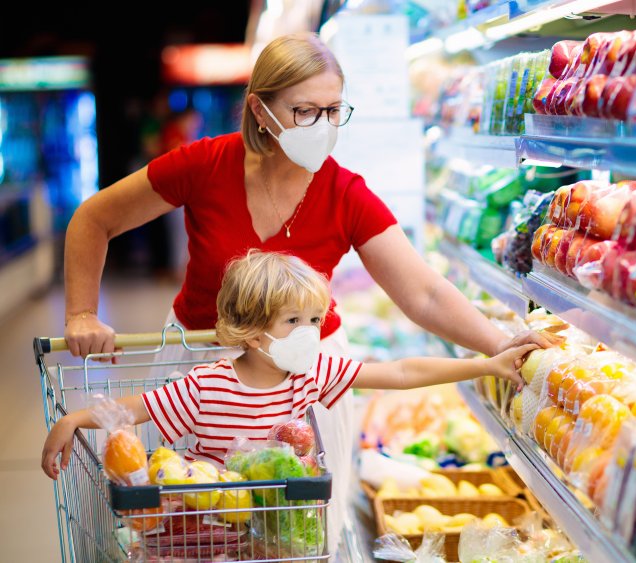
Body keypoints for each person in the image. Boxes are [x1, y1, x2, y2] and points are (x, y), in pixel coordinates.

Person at [59, 31, 557, 546]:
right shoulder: (204, 165)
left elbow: (424, 293)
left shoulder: (345, 194)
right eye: (304, 111)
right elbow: (94, 220)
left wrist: (499, 344)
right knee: (192, 526)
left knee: (293, 537)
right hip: (200, 372)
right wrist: (80, 313)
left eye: (333, 110)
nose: (322, 126)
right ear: (260, 110)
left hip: (302, 379)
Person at [42, 251, 535, 476]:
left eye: (316, 319)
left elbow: (402, 373)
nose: (309, 333)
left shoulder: (311, 374)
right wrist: (74, 419)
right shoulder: (205, 385)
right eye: (293, 320)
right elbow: (139, 407)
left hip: (283, 532)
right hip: (215, 527)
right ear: (253, 333)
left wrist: (488, 364)